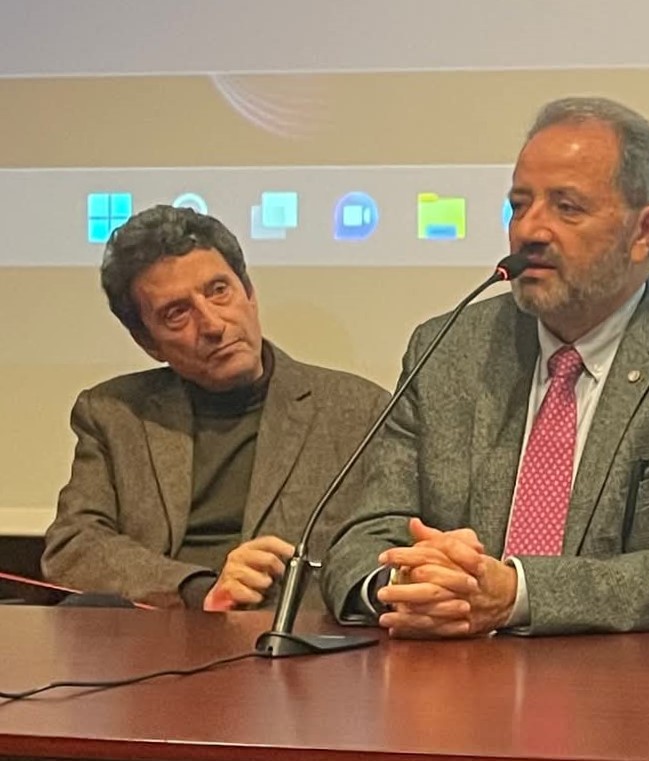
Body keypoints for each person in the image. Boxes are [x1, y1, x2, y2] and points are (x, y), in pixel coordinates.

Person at [320, 96, 649, 638]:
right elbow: (366, 534)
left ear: (644, 231)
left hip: (644, 681)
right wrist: (404, 586)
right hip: (460, 672)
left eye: (566, 208)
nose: (529, 230)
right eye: (519, 205)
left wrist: (518, 594)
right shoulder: (448, 348)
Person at [42, 205, 389, 611]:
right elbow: (73, 547)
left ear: (249, 294)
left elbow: (381, 547)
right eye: (177, 313)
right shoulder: (115, 414)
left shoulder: (359, 411)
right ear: (147, 343)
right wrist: (198, 588)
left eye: (219, 291)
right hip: (163, 630)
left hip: (293, 635)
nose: (212, 324)